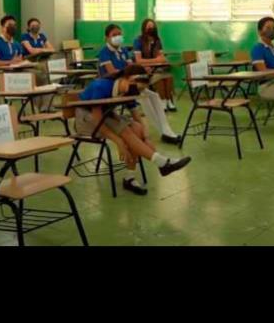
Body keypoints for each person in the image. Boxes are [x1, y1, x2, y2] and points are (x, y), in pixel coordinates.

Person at [75, 65, 191, 196]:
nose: (139, 91)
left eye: (142, 90)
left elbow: (137, 116)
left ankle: (130, 177)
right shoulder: (101, 86)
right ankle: (162, 163)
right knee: (125, 130)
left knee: (137, 128)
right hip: (85, 119)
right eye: (139, 88)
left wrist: (146, 136)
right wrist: (118, 141)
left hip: (105, 117)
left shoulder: (128, 90)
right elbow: (97, 119)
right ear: (128, 79)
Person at [98, 24, 181, 144]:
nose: (118, 37)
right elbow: (112, 73)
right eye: (114, 35)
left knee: (154, 96)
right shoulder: (104, 52)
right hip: (113, 86)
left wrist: (142, 70)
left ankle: (166, 131)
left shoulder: (123, 50)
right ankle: (164, 132)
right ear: (107, 38)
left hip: (128, 83)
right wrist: (131, 74)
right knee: (145, 96)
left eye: (119, 34)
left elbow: (131, 67)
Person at [132, 18, 177, 112]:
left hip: (156, 68)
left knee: (168, 76)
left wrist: (153, 61)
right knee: (160, 76)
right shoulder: (138, 40)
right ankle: (162, 100)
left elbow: (163, 58)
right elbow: (138, 60)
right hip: (143, 70)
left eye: (152, 26)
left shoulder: (157, 41)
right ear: (144, 28)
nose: (150, 28)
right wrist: (155, 61)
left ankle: (168, 100)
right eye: (148, 26)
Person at [20, 18, 56, 110]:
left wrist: (41, 50)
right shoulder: (25, 37)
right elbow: (31, 51)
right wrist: (43, 49)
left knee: (47, 79)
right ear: (28, 27)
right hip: (29, 62)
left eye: (37, 25)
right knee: (40, 78)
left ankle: (47, 105)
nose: (35, 27)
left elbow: (52, 49)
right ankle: (39, 105)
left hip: (41, 62)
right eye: (33, 25)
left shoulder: (42, 36)